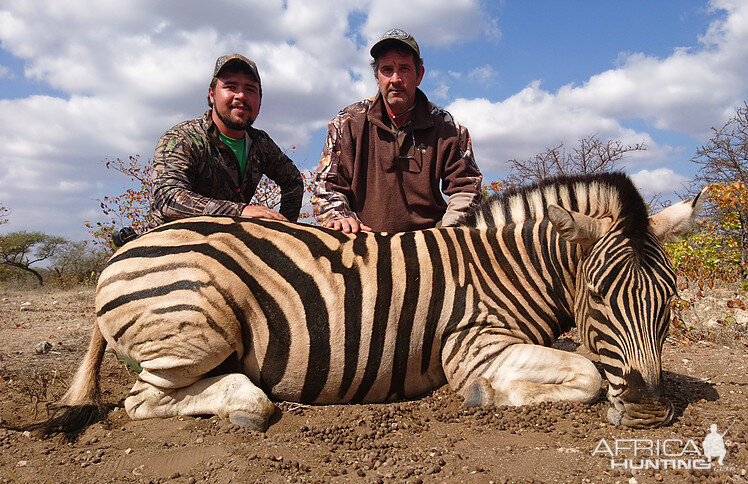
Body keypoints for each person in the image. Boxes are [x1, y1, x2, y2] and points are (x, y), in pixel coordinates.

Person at [312, 28, 483, 233]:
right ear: (376, 77)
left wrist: (445, 233)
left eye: (404, 69)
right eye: (386, 70)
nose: (395, 79)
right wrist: (338, 214)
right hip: (365, 240)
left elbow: (467, 188)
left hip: (429, 244)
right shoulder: (347, 123)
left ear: (419, 75)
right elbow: (326, 185)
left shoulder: (449, 128)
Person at [145, 54, 304, 231]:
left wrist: (283, 230)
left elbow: (293, 181)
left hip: (226, 242)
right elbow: (168, 199)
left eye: (250, 89)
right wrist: (240, 211)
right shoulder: (182, 137)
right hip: (169, 241)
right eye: (230, 87)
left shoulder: (261, 143)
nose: (241, 96)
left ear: (260, 99)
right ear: (212, 95)